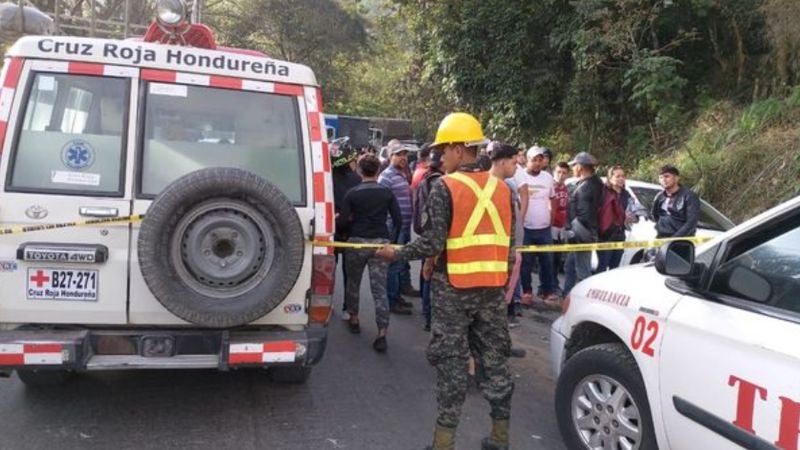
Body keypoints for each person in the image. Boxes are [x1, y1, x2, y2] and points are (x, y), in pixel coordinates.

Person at [377, 113, 515, 450]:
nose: (439, 157)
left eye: (443, 150)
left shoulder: (445, 186)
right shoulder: (502, 188)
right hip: (493, 288)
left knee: (453, 364)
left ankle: (443, 443)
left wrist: (394, 253)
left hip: (454, 289)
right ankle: (500, 437)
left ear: (458, 148)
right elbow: (508, 244)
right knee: (495, 360)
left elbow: (430, 243)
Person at [336, 154, 401, 353]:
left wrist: (339, 218)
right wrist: (392, 242)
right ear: (378, 171)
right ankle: (382, 332)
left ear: (359, 171)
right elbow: (398, 220)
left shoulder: (352, 193)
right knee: (379, 290)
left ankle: (354, 319)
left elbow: (342, 222)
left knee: (353, 283)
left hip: (356, 243)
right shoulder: (386, 193)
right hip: (380, 244)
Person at [515, 145, 559, 305]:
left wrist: (551, 218)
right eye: (534, 160)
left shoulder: (548, 178)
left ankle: (547, 291)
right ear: (527, 160)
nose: (537, 163)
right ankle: (526, 291)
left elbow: (553, 199)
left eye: (540, 160)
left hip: (544, 228)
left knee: (547, 261)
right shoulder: (519, 176)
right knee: (525, 262)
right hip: (526, 227)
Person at [379, 141, 417, 314]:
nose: (403, 158)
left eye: (405, 154)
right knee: (393, 266)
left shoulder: (401, 174)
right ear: (390, 156)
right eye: (399, 154)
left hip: (403, 227)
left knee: (399, 263)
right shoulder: (386, 176)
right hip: (393, 228)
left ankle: (396, 295)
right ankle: (392, 301)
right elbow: (381, 204)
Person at [562, 152, 603, 295]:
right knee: (570, 266)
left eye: (575, 165)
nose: (573, 168)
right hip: (584, 230)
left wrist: (575, 231)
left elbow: (585, 212)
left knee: (582, 270)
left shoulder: (587, 186)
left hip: (582, 232)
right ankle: (567, 294)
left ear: (580, 167)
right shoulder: (593, 183)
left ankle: (584, 298)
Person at [330, 138, 362, 321]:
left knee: (327, 270)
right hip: (351, 229)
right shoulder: (356, 179)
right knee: (350, 273)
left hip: (331, 229)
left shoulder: (325, 176)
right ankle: (349, 309)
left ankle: (326, 303)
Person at [414, 147, 445, 331]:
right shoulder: (439, 183)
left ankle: (426, 313)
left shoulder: (424, 179)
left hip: (425, 232)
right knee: (431, 276)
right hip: (435, 235)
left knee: (426, 275)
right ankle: (429, 316)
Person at [596, 166, 635, 272]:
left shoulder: (626, 194)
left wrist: (632, 217)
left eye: (623, 176)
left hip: (620, 234)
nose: (621, 179)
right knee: (602, 266)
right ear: (610, 178)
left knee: (615, 268)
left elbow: (633, 212)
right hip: (605, 235)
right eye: (618, 176)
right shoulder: (603, 192)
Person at [652, 165, 700, 238]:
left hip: (681, 241)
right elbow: (655, 215)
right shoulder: (659, 197)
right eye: (661, 177)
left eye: (667, 176)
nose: (663, 180)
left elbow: (691, 222)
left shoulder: (689, 196)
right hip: (661, 238)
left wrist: (674, 239)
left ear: (676, 178)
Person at [550, 162, 570, 292]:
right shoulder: (550, 187)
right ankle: (546, 287)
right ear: (554, 172)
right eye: (559, 172)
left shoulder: (567, 189)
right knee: (548, 259)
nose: (561, 175)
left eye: (564, 173)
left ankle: (554, 284)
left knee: (557, 259)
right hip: (550, 226)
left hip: (561, 228)